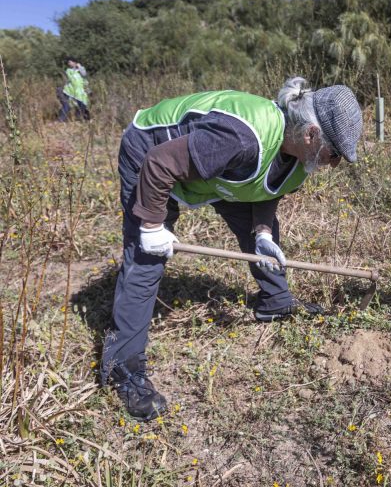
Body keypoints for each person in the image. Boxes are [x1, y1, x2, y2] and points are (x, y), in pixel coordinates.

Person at [101, 77, 363, 420]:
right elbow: (159, 162)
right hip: (151, 154)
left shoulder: (296, 155)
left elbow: (266, 192)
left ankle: (276, 301)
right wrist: (152, 225)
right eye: (335, 154)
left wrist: (264, 233)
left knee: (258, 233)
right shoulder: (241, 138)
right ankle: (123, 370)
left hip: (212, 169)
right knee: (146, 257)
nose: (335, 164)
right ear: (312, 134)